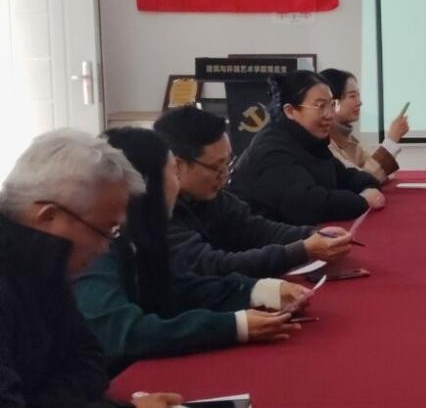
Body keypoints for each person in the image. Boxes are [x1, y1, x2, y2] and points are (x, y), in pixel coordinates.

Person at [0, 129, 183, 408]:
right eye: (107, 229)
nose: (104, 248)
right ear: (48, 217)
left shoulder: (42, 264)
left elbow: (90, 361)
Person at [73, 128, 305, 372]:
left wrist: (260, 291)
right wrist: (233, 326)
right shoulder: (95, 246)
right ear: (147, 183)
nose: (178, 183)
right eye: (173, 172)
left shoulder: (141, 233)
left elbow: (180, 288)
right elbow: (124, 332)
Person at [154, 105, 353, 278]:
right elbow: (213, 265)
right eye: (217, 167)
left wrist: (310, 233)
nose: (224, 175)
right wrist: (300, 251)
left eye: (228, 163)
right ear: (177, 166)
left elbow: (253, 229)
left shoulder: (208, 197)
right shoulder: (154, 213)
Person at [230, 71, 385, 225]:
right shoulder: (272, 150)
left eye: (332, 105)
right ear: (290, 111)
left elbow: (344, 176)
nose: (329, 115)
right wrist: (362, 201)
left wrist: (368, 185)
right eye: (320, 106)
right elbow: (308, 205)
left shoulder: (309, 140)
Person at [321, 68, 409, 182]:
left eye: (358, 95)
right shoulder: (324, 144)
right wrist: (391, 140)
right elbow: (363, 180)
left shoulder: (349, 140)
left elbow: (378, 172)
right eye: (352, 96)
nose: (359, 102)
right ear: (332, 102)